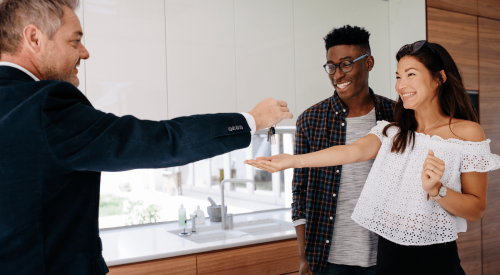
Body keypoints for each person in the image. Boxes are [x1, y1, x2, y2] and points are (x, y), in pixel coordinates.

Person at [0, 0, 292, 274]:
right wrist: (251, 120)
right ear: (35, 38)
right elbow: (158, 141)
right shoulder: (45, 106)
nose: (85, 52)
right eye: (75, 40)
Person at [246, 40, 500, 275]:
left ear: (439, 78)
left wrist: (437, 190)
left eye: (411, 74)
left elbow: (476, 209)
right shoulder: (393, 130)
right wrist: (293, 160)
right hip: (388, 257)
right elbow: (352, 151)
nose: (401, 85)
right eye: (398, 76)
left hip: (435, 259)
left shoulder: (466, 132)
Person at [291, 25, 394, 275]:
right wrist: (304, 256)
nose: (337, 74)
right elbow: (300, 191)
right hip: (329, 258)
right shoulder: (310, 120)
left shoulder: (396, 115)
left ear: (368, 63)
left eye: (346, 64)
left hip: (385, 255)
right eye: (331, 66)